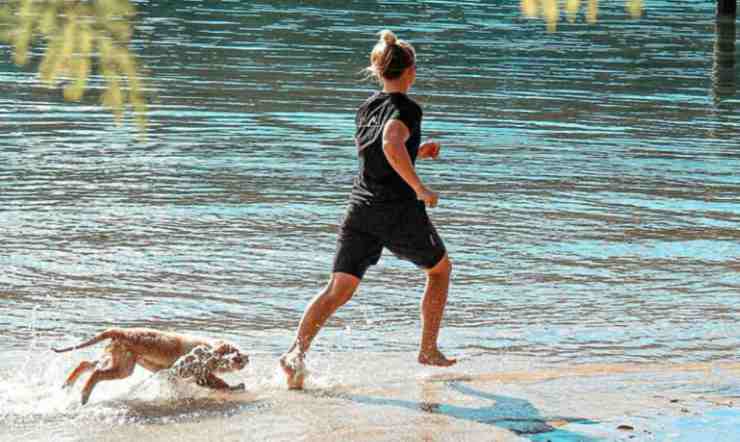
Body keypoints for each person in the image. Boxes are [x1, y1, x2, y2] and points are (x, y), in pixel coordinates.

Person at [280, 29, 456, 389]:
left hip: (359, 209)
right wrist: (420, 187)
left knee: (337, 289)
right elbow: (391, 144)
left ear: (378, 71)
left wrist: (418, 152)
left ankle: (295, 353)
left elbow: (378, 151)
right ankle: (428, 350)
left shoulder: (367, 107)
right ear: (411, 72)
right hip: (396, 212)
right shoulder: (407, 107)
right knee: (439, 270)